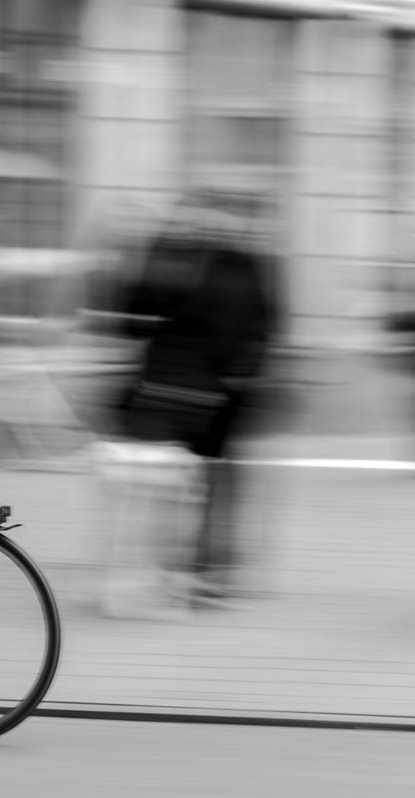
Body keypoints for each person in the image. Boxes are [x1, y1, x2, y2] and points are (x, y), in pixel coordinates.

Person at [117, 190, 279, 607]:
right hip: (203, 393)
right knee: (203, 480)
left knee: (196, 480)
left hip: (188, 391)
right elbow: (257, 322)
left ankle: (193, 567)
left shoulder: (205, 259)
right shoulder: (226, 261)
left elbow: (133, 318)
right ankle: (198, 568)